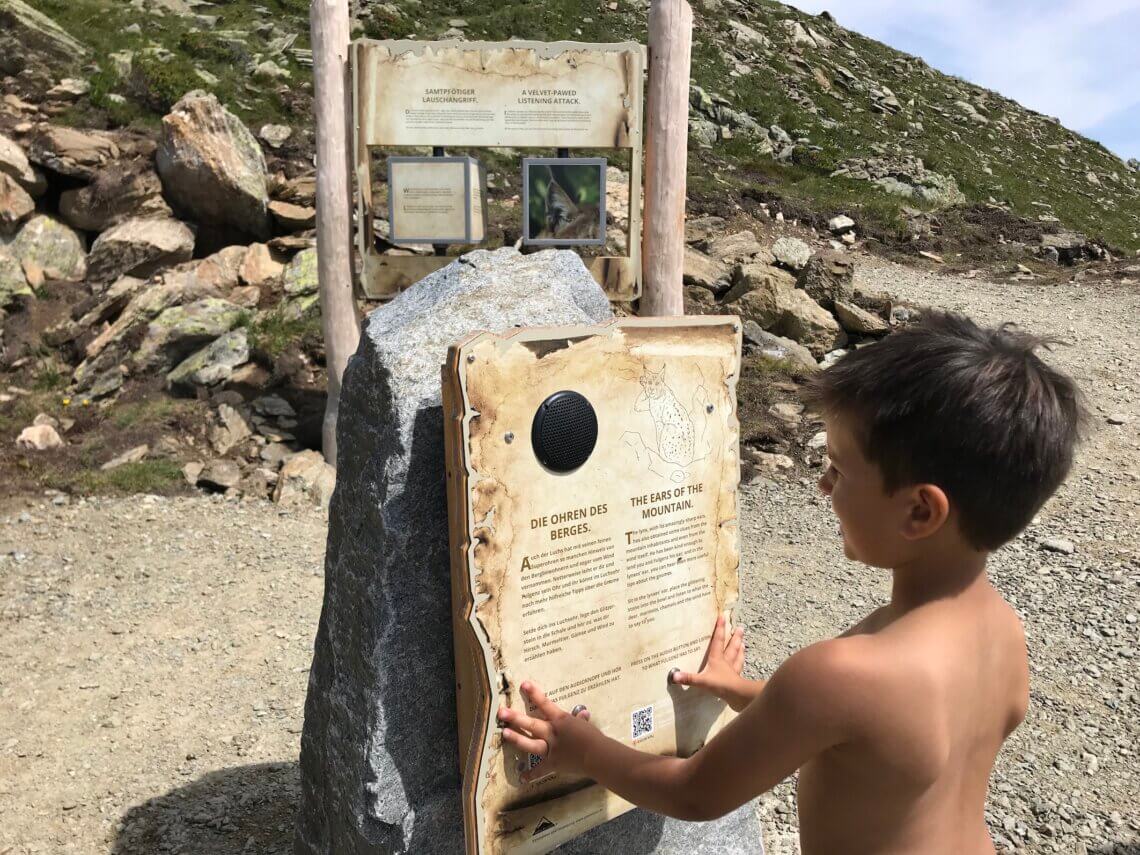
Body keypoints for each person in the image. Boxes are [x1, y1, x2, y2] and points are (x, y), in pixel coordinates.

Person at [498, 311, 1085, 854]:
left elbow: (694, 793)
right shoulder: (1001, 630)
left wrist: (581, 748)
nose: (824, 486)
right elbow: (876, 734)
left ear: (920, 513)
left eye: (838, 467)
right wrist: (741, 691)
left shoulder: (842, 674)